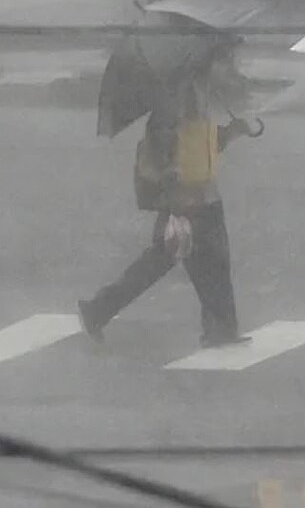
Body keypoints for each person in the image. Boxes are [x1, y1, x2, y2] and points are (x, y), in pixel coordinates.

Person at [78, 39, 258, 348]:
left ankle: (220, 327)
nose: (232, 67)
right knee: (183, 260)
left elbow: (200, 144)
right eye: (226, 60)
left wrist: (230, 133)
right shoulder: (178, 95)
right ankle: (99, 310)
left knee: (199, 260)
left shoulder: (202, 90)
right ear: (208, 61)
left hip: (203, 190)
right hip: (186, 194)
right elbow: (164, 145)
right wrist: (174, 198)